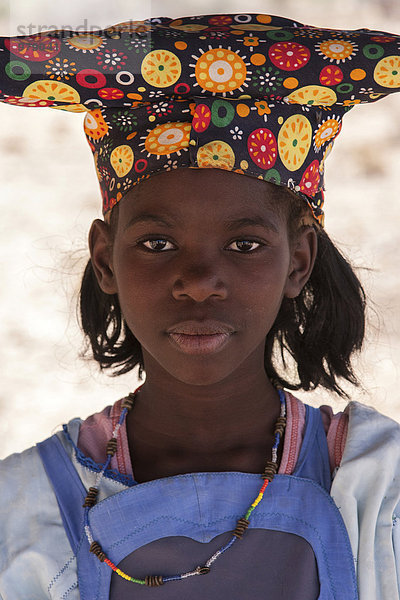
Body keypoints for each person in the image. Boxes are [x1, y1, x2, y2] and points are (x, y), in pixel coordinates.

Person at [0, 12, 399, 600]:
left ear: (299, 262)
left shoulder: (379, 491)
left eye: (245, 245)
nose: (200, 282)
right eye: (157, 244)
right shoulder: (24, 510)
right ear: (106, 260)